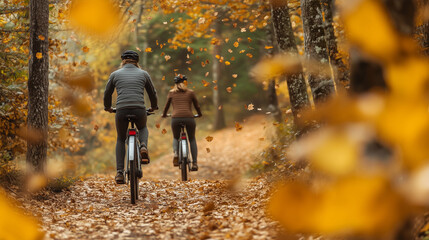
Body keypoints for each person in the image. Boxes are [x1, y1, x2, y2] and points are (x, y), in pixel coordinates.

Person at [104, 50, 158, 184]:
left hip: (121, 110)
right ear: (136, 61)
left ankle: (119, 173)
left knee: (121, 139)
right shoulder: (143, 74)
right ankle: (143, 145)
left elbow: (107, 93)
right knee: (143, 127)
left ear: (123, 61)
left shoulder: (115, 74)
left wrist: (108, 107)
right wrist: (153, 107)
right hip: (139, 109)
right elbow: (152, 92)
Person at [162, 74, 202, 171]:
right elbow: (197, 106)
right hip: (189, 118)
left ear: (175, 84)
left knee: (176, 137)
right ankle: (195, 163)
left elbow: (166, 107)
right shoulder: (191, 92)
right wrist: (199, 114)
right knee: (192, 139)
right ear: (184, 82)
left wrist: (164, 115)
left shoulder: (171, 93)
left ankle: (176, 153)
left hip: (176, 119)